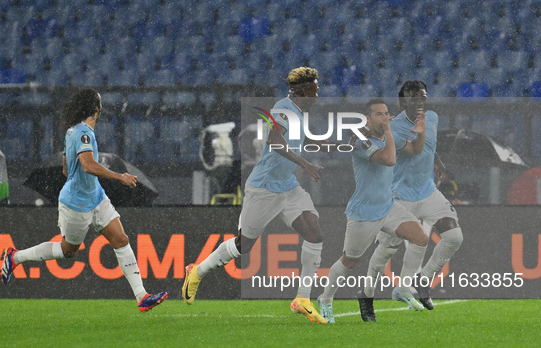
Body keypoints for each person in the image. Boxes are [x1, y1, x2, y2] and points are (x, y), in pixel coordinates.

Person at [182, 67, 331, 324]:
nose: (317, 96)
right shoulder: (284, 108)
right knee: (244, 246)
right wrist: (306, 164)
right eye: (314, 91)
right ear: (303, 90)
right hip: (264, 188)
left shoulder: (298, 114)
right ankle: (197, 271)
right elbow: (274, 141)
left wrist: (339, 146)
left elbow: (297, 144)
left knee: (314, 233)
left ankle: (302, 299)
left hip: (287, 186)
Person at [0, 88, 167, 313]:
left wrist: (79, 177)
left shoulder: (73, 131)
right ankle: (15, 256)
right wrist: (120, 177)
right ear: (97, 109)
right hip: (77, 203)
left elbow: (66, 168)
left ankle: (142, 297)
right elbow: (87, 165)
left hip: (96, 197)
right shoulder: (83, 134)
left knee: (120, 239)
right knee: (69, 251)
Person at [317, 98, 429, 323]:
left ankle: (402, 289)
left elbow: (416, 150)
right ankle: (325, 299)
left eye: (386, 113)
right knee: (349, 262)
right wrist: (390, 131)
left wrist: (420, 133)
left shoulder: (388, 136)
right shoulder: (359, 139)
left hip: (388, 206)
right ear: (367, 118)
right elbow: (388, 159)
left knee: (420, 238)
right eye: (378, 114)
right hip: (364, 212)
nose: (384, 117)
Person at [362, 81, 463, 315]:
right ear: (403, 102)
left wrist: (437, 160)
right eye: (414, 98)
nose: (420, 102)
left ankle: (421, 281)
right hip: (400, 196)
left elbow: (428, 145)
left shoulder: (433, 117)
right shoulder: (393, 128)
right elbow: (411, 150)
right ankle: (367, 294)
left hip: (427, 192)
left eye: (423, 97)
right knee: (387, 250)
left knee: (454, 236)